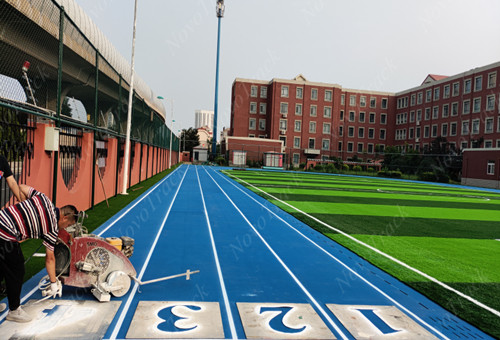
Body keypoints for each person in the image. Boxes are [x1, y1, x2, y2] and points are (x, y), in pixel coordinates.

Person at [0, 184, 78, 322]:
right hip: (6, 233)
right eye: (68, 225)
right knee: (17, 269)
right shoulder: (52, 228)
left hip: (2, 218)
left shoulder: (44, 199)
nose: (65, 228)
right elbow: (50, 258)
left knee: (3, 266)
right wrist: (54, 282)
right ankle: (14, 310)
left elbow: (22, 187)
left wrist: (25, 206)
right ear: (65, 218)